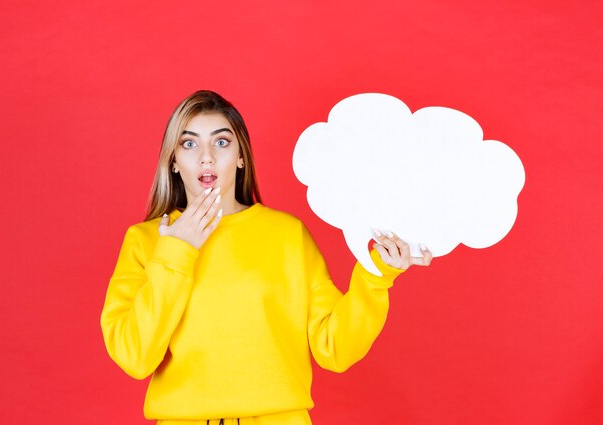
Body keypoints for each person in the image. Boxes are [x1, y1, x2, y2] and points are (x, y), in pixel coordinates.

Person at [100, 90, 432, 425]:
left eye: (221, 142)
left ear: (241, 156)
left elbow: (335, 347)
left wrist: (376, 276)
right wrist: (176, 251)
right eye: (189, 144)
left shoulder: (287, 235)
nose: (206, 157)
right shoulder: (145, 241)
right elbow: (135, 356)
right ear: (173, 160)